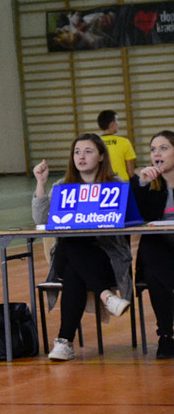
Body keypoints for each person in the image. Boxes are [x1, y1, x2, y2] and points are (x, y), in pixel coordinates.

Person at [31, 133, 133, 362]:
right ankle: (107, 297)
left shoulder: (115, 184)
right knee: (72, 243)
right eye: (77, 152)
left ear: (101, 156)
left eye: (88, 151)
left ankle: (64, 342)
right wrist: (41, 183)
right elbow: (40, 219)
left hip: (105, 259)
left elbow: (126, 220)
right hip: (66, 255)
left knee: (73, 268)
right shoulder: (63, 186)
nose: (81, 157)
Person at [132, 130, 174, 359]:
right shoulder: (147, 185)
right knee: (151, 252)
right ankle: (166, 336)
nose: (157, 154)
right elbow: (133, 216)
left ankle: (166, 336)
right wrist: (141, 184)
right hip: (160, 250)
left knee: (154, 273)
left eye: (164, 148)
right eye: (153, 149)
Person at [98, 109, 136, 180]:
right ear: (112, 124)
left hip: (102, 182)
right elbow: (131, 173)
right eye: (117, 121)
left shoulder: (96, 142)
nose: (118, 124)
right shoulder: (124, 142)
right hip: (122, 182)